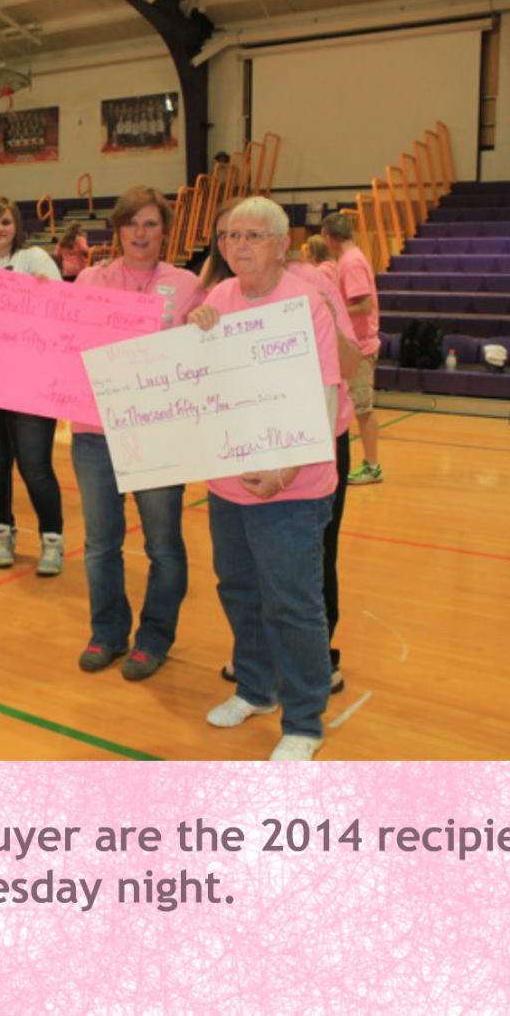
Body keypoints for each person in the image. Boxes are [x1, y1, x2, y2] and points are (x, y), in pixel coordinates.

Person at [191, 197, 349, 761]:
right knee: (238, 589)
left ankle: (304, 721)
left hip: (293, 488)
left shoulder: (307, 304)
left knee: (293, 603)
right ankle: (256, 689)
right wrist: (195, 332)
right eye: (231, 236)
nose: (239, 245)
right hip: (228, 482)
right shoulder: (218, 297)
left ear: (283, 246)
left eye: (253, 235)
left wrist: (286, 470)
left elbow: (325, 394)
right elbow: (201, 378)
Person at [71, 186, 205, 682]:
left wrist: (207, 326)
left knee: (163, 545)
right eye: (131, 223)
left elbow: (203, 355)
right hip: (94, 430)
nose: (140, 233)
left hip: (158, 434)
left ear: (164, 231)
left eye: (150, 224)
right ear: (118, 229)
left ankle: (154, 638)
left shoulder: (188, 285)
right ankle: (107, 632)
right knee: (99, 543)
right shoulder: (90, 279)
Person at [0, 197, 66, 575]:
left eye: (5, 222)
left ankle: (52, 541)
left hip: (30, 382)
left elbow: (59, 307)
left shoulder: (34, 259)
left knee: (35, 466)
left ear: (16, 225)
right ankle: (2, 532)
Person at [322, 213, 384, 486]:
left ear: (329, 237)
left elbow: (365, 306)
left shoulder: (351, 263)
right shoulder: (350, 259)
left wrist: (331, 312)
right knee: (358, 407)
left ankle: (372, 466)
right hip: (355, 345)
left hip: (360, 347)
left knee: (363, 409)